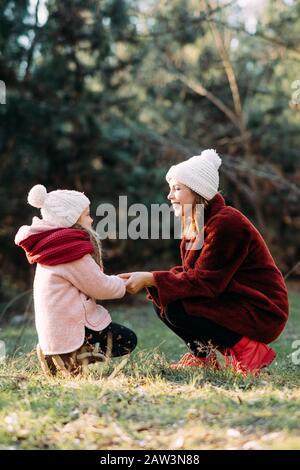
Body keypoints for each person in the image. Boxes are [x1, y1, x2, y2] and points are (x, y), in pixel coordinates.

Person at [119, 149, 289, 375]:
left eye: (177, 189)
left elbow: (207, 282)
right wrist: (152, 280)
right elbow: (195, 274)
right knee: (162, 299)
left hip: (261, 309)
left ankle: (249, 352)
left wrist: (152, 278)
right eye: (170, 188)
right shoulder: (199, 222)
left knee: (177, 308)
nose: (169, 195)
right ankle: (203, 357)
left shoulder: (227, 223)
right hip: (234, 299)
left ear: (199, 192)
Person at [15, 184, 137, 375]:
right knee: (126, 339)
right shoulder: (71, 252)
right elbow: (99, 287)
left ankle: (57, 356)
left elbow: (91, 279)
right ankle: (72, 360)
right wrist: (123, 284)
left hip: (55, 330)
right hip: (72, 327)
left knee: (117, 336)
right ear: (72, 219)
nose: (92, 218)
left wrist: (112, 280)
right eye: (87, 214)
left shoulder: (52, 248)